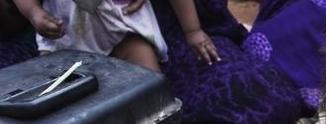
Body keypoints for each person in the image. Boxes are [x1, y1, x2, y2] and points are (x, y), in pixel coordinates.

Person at [10, 0, 220, 72]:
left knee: (148, 86)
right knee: (59, 100)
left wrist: (192, 30)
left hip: (124, 29)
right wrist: (33, 12)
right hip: (66, 37)